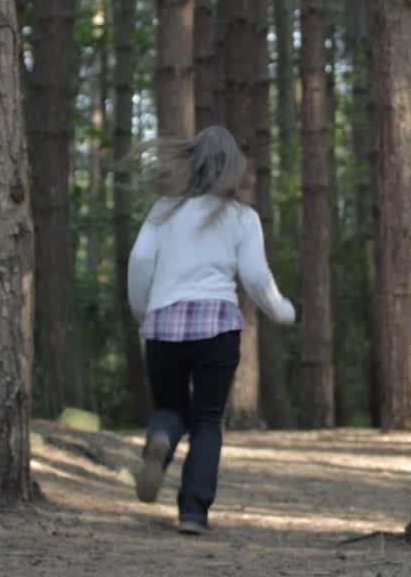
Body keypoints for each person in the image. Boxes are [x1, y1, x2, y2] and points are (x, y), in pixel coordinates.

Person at [126, 125, 296, 536]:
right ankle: (193, 512)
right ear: (234, 170)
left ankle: (161, 440)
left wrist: (143, 311)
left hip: (164, 323)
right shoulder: (242, 218)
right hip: (216, 328)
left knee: (168, 406)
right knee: (207, 420)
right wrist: (282, 311)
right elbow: (256, 277)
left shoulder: (164, 211)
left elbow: (140, 262)